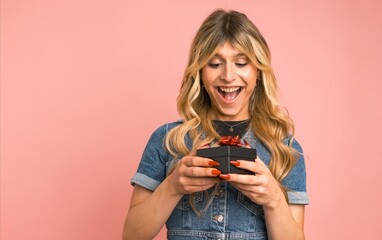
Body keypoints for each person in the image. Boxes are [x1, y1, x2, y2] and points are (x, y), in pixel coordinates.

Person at [123, 9, 309, 240]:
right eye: (214, 63)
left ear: (258, 72)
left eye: (241, 63)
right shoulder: (167, 140)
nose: (228, 76)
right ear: (200, 72)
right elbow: (131, 235)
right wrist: (173, 186)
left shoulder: (286, 150)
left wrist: (273, 198)